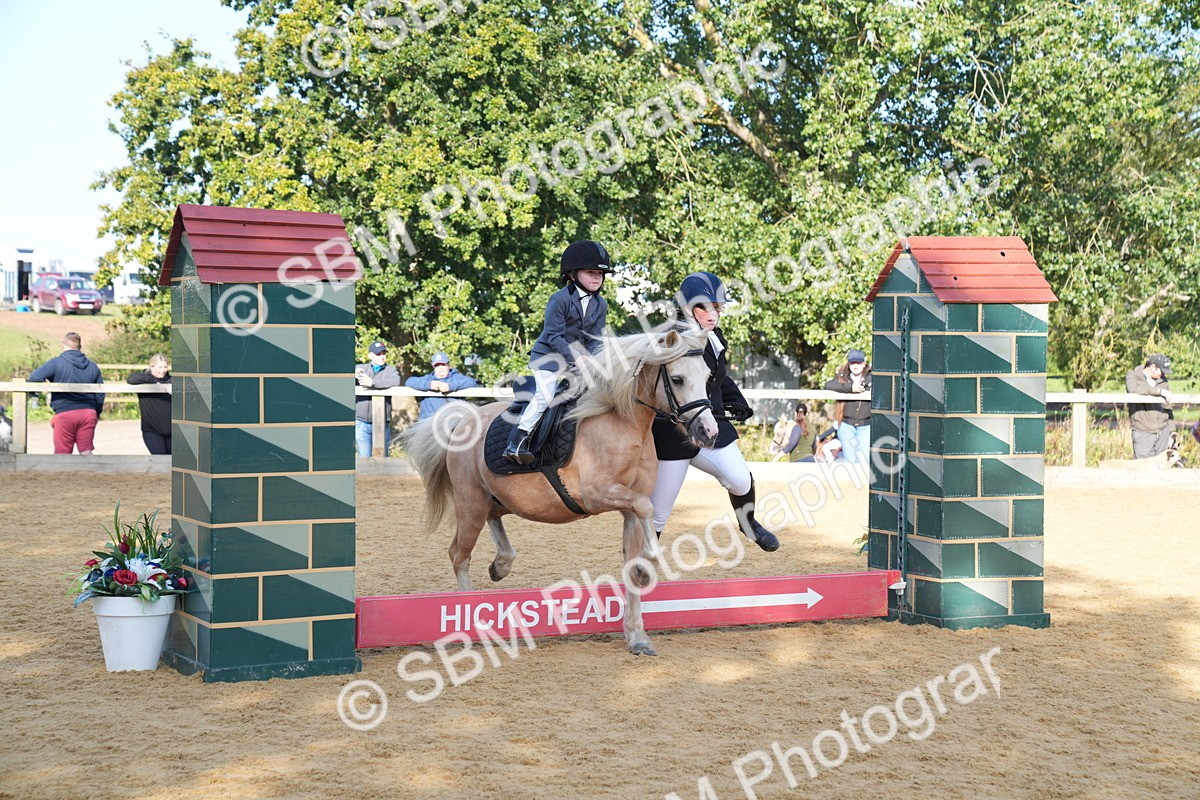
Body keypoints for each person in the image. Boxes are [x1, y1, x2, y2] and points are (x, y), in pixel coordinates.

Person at [649, 271, 780, 552]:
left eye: (717, 308)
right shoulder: (670, 339)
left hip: (711, 428)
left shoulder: (714, 337)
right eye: (705, 308)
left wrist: (737, 400)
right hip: (674, 435)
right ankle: (641, 562)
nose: (713, 315)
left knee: (740, 479)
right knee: (658, 513)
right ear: (686, 308)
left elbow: (717, 376)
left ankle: (749, 524)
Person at [504, 240, 613, 463]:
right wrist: (578, 357)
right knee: (545, 395)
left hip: (578, 359)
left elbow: (595, 338)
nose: (597, 278)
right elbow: (553, 336)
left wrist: (594, 360)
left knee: (597, 392)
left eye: (600, 274)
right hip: (549, 357)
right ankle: (518, 441)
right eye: (590, 272)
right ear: (572, 275)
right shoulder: (559, 299)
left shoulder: (600, 304)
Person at [27, 332, 105, 455]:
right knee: (86, 451)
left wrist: (34, 393)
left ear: (63, 344)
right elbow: (100, 393)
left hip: (65, 412)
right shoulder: (92, 366)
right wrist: (97, 412)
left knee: (62, 453)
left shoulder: (56, 363)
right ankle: (90, 472)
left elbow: (34, 377)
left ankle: (63, 474)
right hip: (88, 412)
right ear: (79, 346)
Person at [824, 349, 872, 464]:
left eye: (858, 362)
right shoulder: (842, 376)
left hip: (866, 425)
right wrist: (850, 388)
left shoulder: (872, 376)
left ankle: (863, 482)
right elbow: (828, 385)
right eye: (852, 362)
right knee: (849, 461)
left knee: (863, 460)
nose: (855, 365)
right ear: (849, 364)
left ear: (864, 363)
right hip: (846, 425)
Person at [354, 341, 401, 457]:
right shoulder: (361, 368)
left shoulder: (391, 370)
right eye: (378, 354)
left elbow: (395, 381)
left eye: (384, 353)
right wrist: (353, 374)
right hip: (361, 422)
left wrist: (372, 383)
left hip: (382, 423)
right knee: (364, 459)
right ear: (370, 355)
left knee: (383, 459)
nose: (382, 356)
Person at [1126, 353, 1174, 459]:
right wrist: (1159, 391)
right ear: (1153, 367)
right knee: (1143, 470)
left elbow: (1168, 407)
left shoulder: (1163, 380)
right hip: (1143, 431)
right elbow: (1134, 390)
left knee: (1162, 469)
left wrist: (1172, 431)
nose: (1163, 375)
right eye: (1161, 371)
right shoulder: (1133, 376)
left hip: (1163, 432)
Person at [405, 352, 478, 421]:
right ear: (433, 367)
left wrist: (450, 387)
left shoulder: (456, 378)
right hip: (428, 421)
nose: (440, 368)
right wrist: (429, 385)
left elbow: (472, 382)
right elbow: (409, 382)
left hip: (452, 421)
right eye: (437, 365)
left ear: (449, 366)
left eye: (443, 365)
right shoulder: (428, 379)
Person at [127, 353, 172, 454]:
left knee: (172, 462)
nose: (163, 370)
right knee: (159, 460)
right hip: (152, 430)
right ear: (152, 367)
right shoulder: (144, 380)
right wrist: (154, 382)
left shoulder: (170, 380)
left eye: (165, 367)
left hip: (172, 430)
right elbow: (131, 379)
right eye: (159, 367)